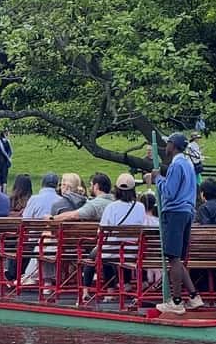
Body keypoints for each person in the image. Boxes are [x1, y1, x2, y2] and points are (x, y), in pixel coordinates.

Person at [149, 133, 202, 314]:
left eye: (168, 144)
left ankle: (177, 301)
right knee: (177, 258)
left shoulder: (177, 165)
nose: (166, 147)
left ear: (174, 146)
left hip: (175, 212)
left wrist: (157, 179)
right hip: (187, 212)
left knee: (173, 258)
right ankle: (194, 296)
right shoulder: (188, 165)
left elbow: (169, 193)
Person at [82, 173, 147, 291]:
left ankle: (101, 289)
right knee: (123, 247)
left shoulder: (112, 207)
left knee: (95, 254)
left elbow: (101, 232)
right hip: (134, 251)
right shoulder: (140, 207)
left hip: (112, 251)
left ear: (116, 189)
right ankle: (126, 283)